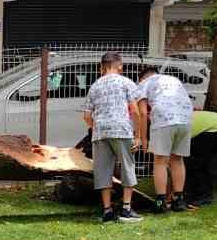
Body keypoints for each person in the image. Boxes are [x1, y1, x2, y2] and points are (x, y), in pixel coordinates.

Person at [83, 52, 147, 224]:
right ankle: (126, 209)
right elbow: (134, 110)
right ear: (120, 66)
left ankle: (107, 211)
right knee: (127, 167)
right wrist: (139, 136)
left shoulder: (95, 86)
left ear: (102, 67)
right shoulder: (126, 82)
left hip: (101, 133)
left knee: (103, 171)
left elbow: (87, 115)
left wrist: (96, 127)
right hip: (121, 130)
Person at [138, 69, 194, 213]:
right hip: (186, 119)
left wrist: (143, 138)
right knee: (177, 159)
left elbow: (143, 113)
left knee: (160, 161)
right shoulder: (172, 79)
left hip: (164, 119)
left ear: (142, 78)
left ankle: (160, 202)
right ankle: (179, 200)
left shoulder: (144, 83)